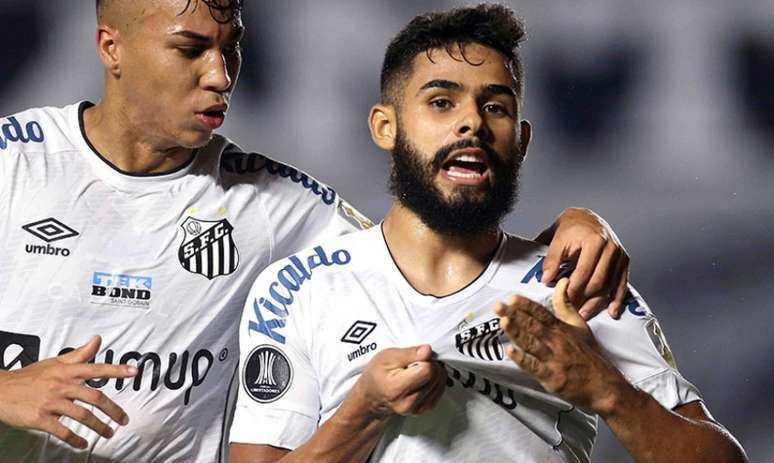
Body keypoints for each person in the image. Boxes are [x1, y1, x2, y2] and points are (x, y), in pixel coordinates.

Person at [0, 1, 631, 461]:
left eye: (232, 47)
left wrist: (570, 227)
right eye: (190, 49)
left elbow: (431, 248)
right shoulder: (14, 163)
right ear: (111, 46)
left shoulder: (275, 203)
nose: (222, 74)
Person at [229, 5, 747, 463]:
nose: (471, 123)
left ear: (520, 141)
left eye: (494, 106)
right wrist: (363, 411)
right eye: (441, 102)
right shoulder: (300, 290)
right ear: (385, 126)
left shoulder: (578, 287)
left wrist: (607, 390)